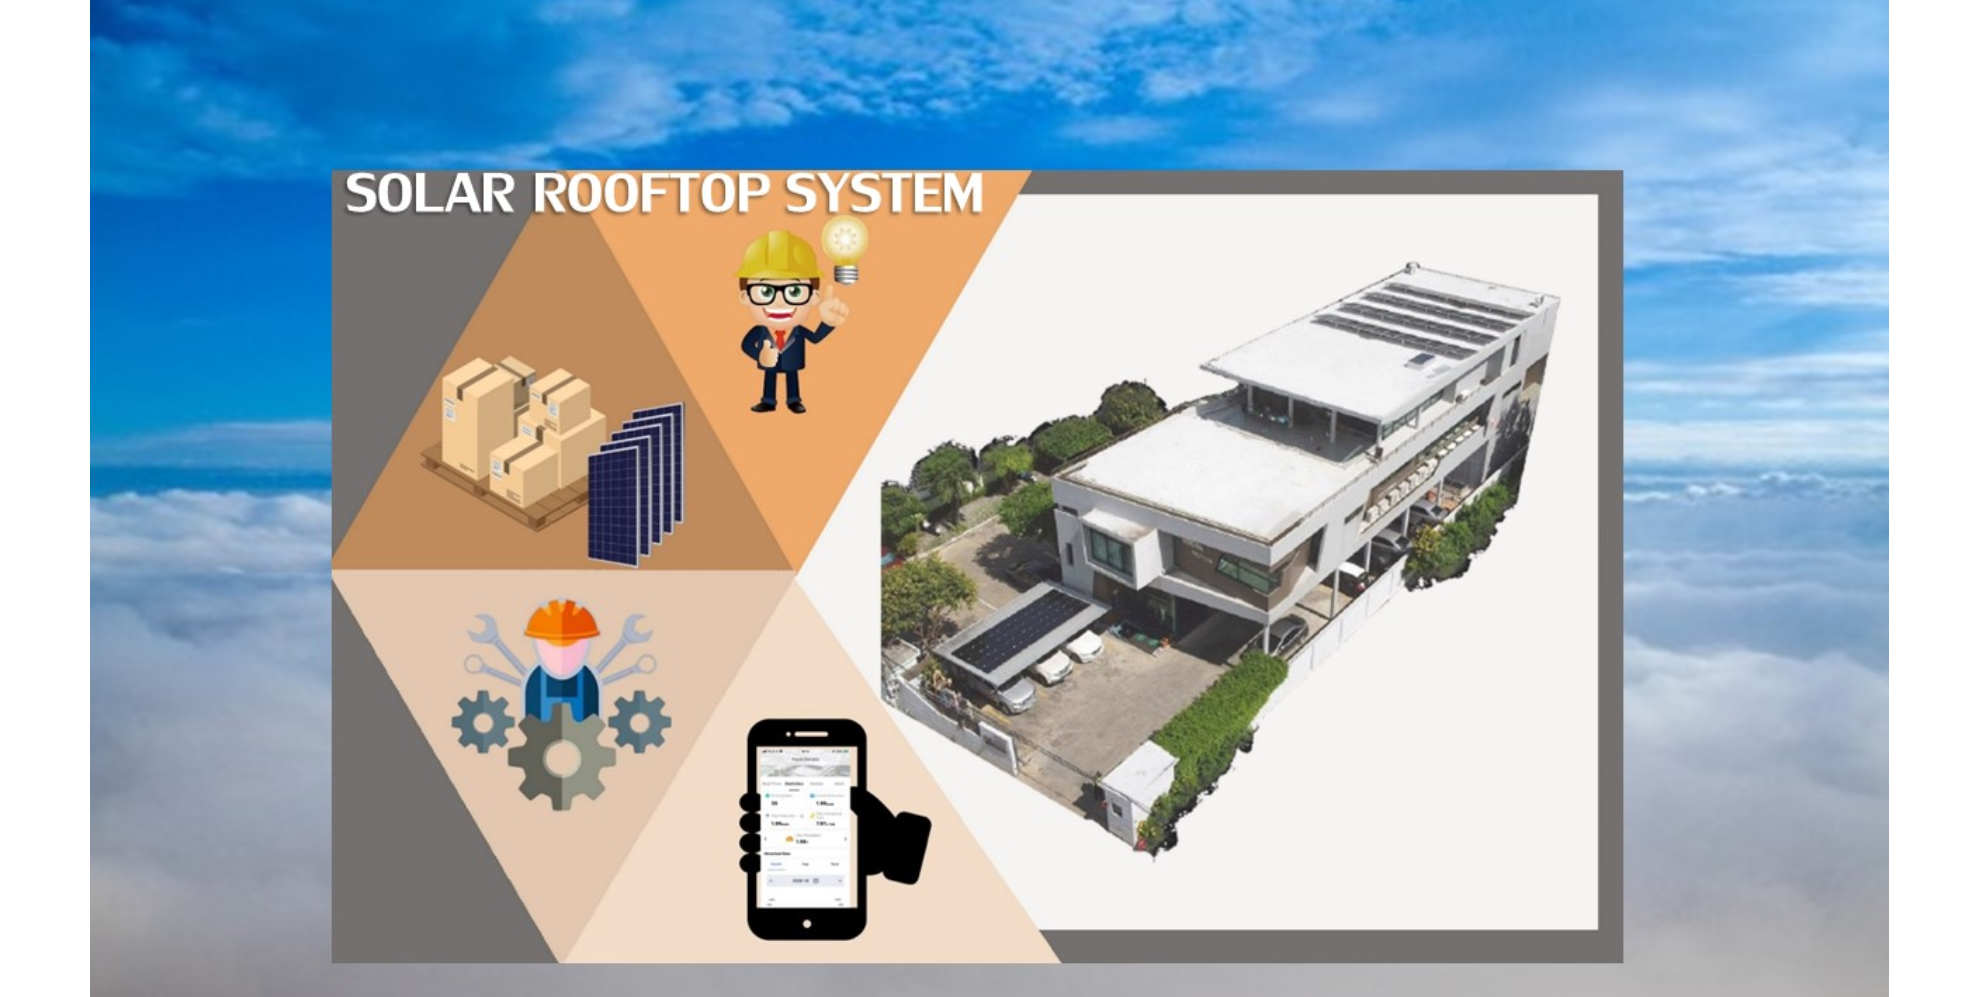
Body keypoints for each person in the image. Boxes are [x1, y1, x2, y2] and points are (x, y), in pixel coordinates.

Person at [735, 230, 851, 414]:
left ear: (813, 297)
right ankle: (768, 401)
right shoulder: (760, 331)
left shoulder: (799, 330)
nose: (779, 302)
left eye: (794, 292)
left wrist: (828, 323)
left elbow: (814, 338)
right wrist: (760, 356)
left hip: (792, 363)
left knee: (792, 378)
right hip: (770, 364)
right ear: (745, 296)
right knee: (770, 377)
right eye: (765, 292)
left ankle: (794, 400)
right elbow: (746, 345)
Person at [522, 599, 602, 722]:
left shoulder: (588, 680)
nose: (562, 654)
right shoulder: (535, 680)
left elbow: (594, 722)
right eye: (552, 647)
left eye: (571, 647)